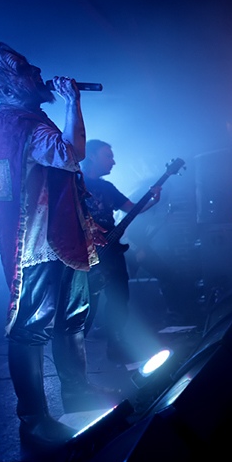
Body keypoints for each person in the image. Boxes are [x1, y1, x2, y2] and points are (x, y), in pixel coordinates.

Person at [0, 42, 118, 448]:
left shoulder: (24, 120)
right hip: (34, 242)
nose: (36, 71)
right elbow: (71, 155)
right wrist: (72, 101)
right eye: (22, 67)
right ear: (4, 81)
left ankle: (78, 395)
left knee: (72, 320)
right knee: (31, 327)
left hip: (64, 237)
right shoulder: (13, 124)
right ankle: (33, 416)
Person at [80, 139, 161, 363]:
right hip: (88, 253)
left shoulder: (107, 188)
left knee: (119, 299)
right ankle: (74, 353)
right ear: (93, 156)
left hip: (112, 251)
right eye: (108, 156)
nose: (113, 161)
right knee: (88, 304)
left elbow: (132, 209)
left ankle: (115, 346)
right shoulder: (75, 183)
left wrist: (153, 199)